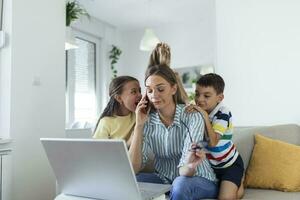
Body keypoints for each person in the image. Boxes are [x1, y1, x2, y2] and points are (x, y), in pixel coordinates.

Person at [129, 65, 218, 200]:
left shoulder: (192, 116)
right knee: (130, 182)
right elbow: (133, 169)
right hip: (164, 178)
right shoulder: (147, 120)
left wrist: (189, 165)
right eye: (150, 90)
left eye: (160, 89)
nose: (154, 95)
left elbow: (185, 170)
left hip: (198, 177)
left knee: (180, 184)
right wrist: (138, 126)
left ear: (173, 88)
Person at [186, 73, 245, 200]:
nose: (200, 99)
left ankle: (240, 181)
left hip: (230, 165)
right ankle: (236, 186)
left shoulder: (223, 113)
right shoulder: (198, 111)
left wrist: (205, 116)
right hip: (212, 168)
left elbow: (212, 142)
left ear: (220, 97)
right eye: (197, 94)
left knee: (227, 197)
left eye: (206, 96)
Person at [93, 76, 142, 147]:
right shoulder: (106, 122)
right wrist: (130, 141)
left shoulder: (139, 116)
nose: (140, 95)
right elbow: (98, 150)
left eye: (139, 91)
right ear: (119, 98)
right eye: (133, 92)